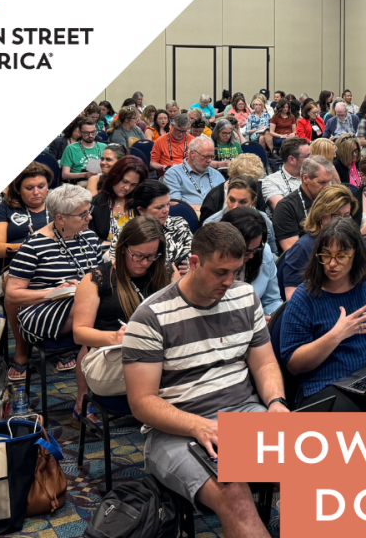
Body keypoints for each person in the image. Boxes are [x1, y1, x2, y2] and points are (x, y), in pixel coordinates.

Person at [122, 223, 287, 538]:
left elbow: (265, 362)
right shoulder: (150, 317)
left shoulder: (245, 297)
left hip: (243, 413)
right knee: (233, 494)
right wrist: (199, 426)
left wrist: (276, 403)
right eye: (220, 272)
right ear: (194, 262)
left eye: (236, 272)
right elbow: (142, 403)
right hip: (176, 431)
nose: (229, 281)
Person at [279, 218, 366, 411]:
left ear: (355, 254)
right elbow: (293, 365)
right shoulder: (304, 296)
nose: (332, 264)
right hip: (325, 384)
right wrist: (336, 335)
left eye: (341, 256)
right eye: (325, 255)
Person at [72, 216, 174, 425]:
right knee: (186, 366)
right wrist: (115, 337)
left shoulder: (166, 272)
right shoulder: (96, 279)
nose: (144, 263)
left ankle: (225, 430)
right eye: (137, 256)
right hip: (110, 357)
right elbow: (79, 333)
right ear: (122, 249)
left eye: (151, 256)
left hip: (157, 353)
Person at [6, 185, 102, 373]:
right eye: (82, 214)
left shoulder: (90, 237)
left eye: (89, 211)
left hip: (81, 302)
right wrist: (55, 292)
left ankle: (97, 354)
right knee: (88, 304)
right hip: (41, 308)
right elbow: (12, 295)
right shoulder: (34, 245)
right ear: (60, 218)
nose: (89, 217)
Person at [0, 163, 54, 380]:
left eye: (41, 186)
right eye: (29, 188)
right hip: (11, 270)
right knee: (14, 290)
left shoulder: (56, 205)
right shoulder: (4, 209)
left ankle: (58, 339)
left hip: (51, 266)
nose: (36, 192)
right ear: (18, 189)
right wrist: (31, 245)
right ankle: (21, 346)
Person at [280, 185, 358, 299]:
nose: (342, 221)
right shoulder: (302, 248)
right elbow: (292, 297)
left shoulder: (352, 242)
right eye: (336, 216)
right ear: (320, 215)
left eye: (346, 216)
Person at [220, 207, 283, 316]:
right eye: (246, 251)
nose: (251, 256)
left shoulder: (264, 252)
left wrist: (271, 316)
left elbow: (272, 300)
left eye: (256, 249)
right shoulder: (212, 262)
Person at [273, 155, 336, 251]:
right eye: (322, 183)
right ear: (306, 178)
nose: (327, 187)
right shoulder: (286, 208)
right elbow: (294, 252)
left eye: (329, 182)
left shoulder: (333, 200)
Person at [87, 155, 148, 252]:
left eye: (133, 185)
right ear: (114, 176)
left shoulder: (140, 203)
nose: (127, 188)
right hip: (104, 254)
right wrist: (116, 247)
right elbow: (89, 238)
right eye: (124, 181)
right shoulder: (96, 203)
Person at [163, 136, 226, 212]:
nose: (209, 160)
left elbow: (227, 200)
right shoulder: (173, 174)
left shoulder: (217, 174)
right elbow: (174, 203)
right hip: (189, 215)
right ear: (192, 154)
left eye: (211, 156)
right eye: (206, 156)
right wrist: (204, 210)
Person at [263, 138, 310, 211]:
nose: (311, 159)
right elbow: (283, 210)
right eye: (307, 156)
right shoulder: (271, 181)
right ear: (291, 159)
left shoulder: (314, 174)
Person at [60, 118, 106, 184]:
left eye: (93, 132)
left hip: (100, 180)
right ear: (80, 132)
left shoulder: (103, 146)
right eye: (86, 133)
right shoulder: (71, 148)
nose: (90, 135)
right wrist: (84, 175)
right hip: (80, 182)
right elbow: (64, 175)